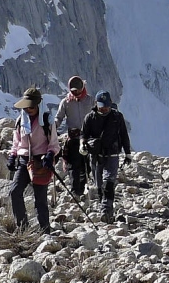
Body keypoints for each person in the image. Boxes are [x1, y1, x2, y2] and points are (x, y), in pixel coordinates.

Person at [7, 87, 59, 234]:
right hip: (24, 161)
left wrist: (50, 155)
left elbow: (54, 143)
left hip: (41, 162)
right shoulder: (20, 121)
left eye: (31, 106)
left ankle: (45, 230)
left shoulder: (47, 120)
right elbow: (16, 142)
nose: (28, 109)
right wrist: (12, 156)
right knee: (15, 191)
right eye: (26, 106)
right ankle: (22, 227)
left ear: (38, 105)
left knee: (40, 199)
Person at [81, 90, 131, 223]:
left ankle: (105, 209)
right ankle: (107, 208)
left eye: (107, 106)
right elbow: (84, 134)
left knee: (109, 181)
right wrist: (83, 145)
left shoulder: (117, 117)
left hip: (112, 154)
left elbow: (124, 135)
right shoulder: (89, 117)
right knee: (99, 184)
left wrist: (128, 153)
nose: (104, 109)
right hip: (96, 155)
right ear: (96, 104)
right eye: (102, 106)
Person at [55, 76, 94, 196]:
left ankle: (83, 188)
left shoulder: (90, 101)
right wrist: (52, 128)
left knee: (87, 165)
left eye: (77, 89)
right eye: (73, 90)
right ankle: (75, 191)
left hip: (88, 136)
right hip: (73, 138)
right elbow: (59, 117)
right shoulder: (66, 102)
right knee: (73, 165)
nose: (75, 92)